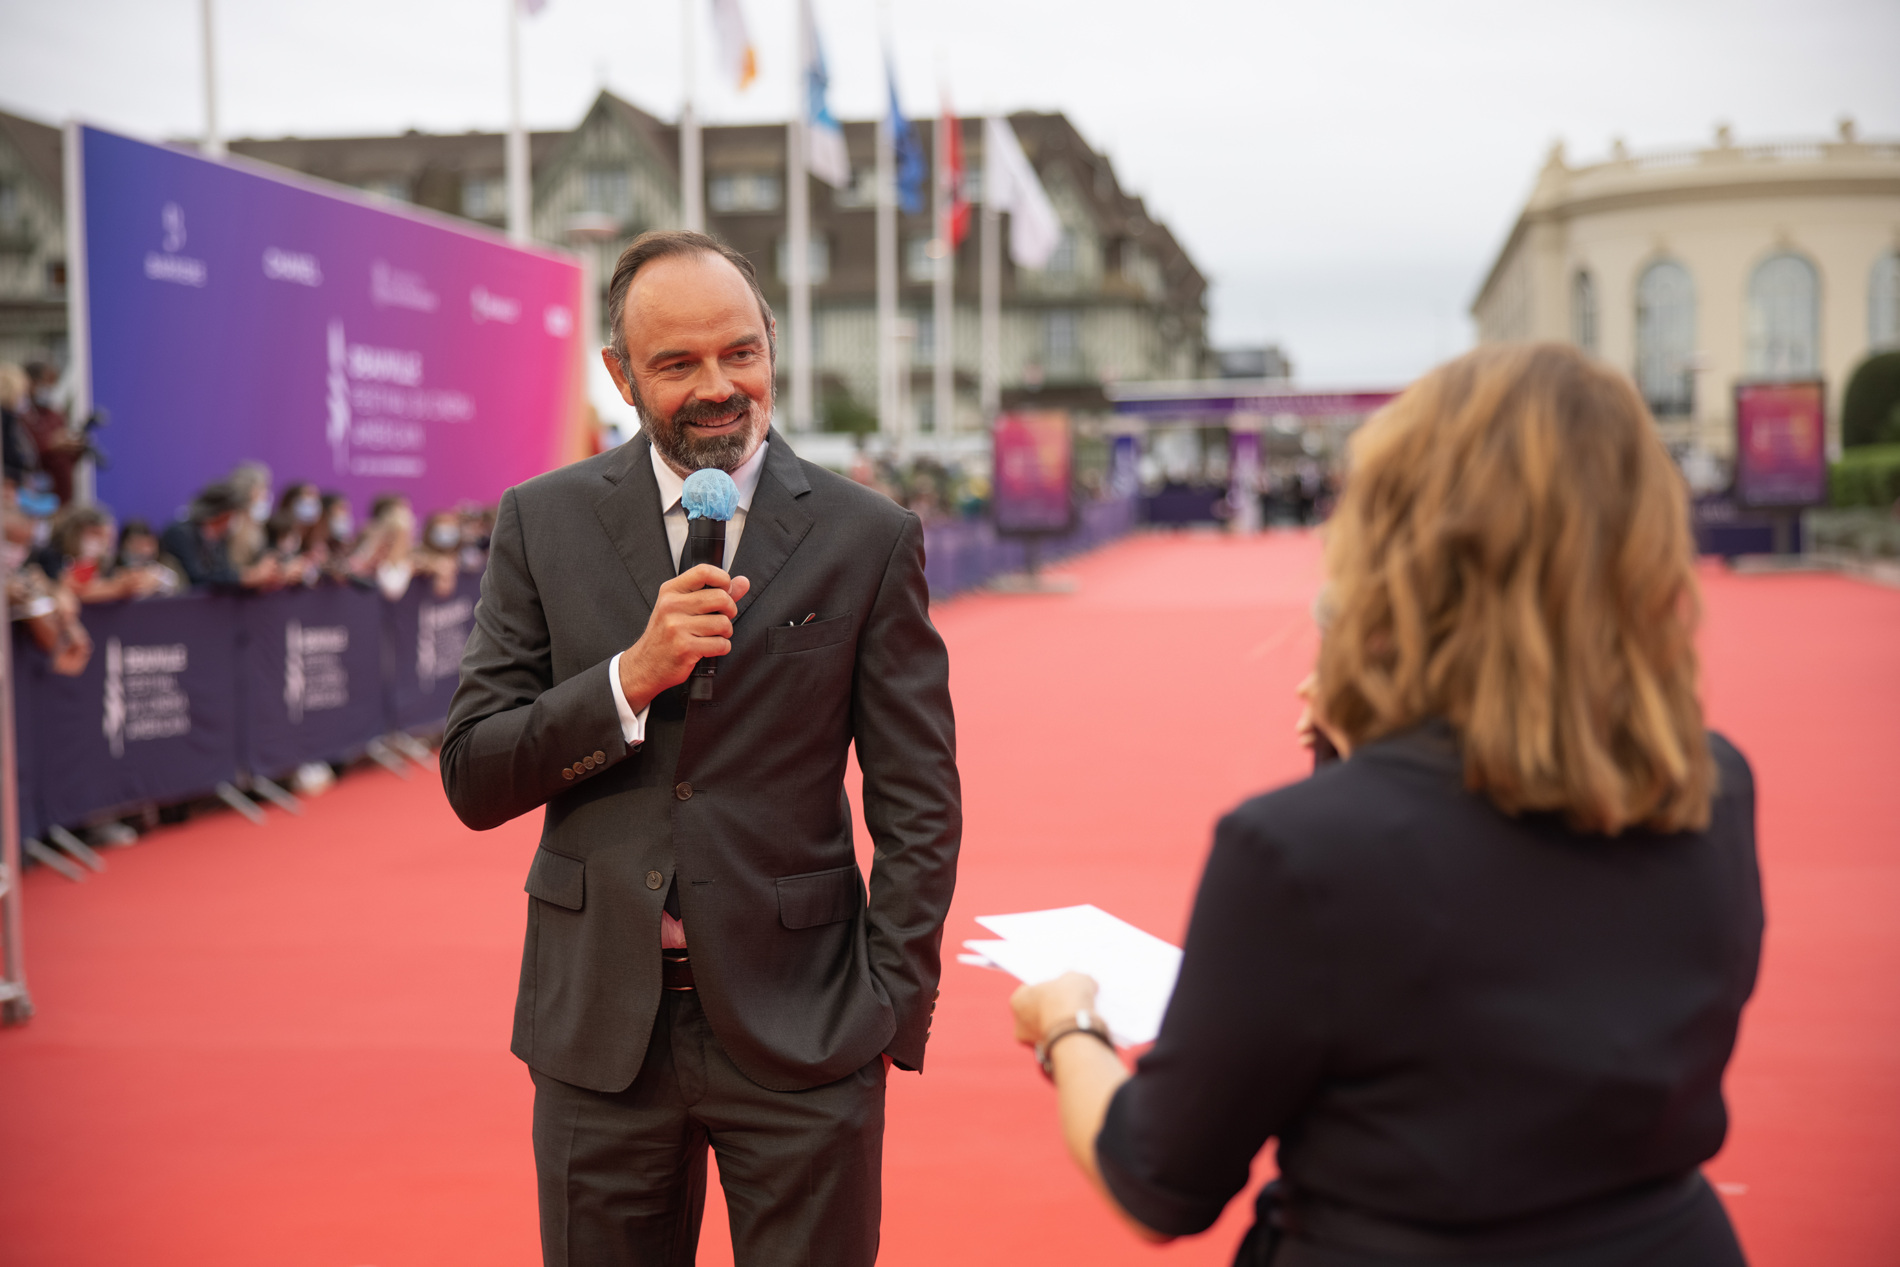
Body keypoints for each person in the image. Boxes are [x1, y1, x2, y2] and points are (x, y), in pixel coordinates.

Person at [1009, 342, 1761, 1267]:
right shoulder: (1715, 784)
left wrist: (1067, 1025)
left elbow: (1158, 1176)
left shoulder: (1297, 851)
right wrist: (1368, 755)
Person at [442, 229, 960, 1267]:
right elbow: (475, 772)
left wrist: (887, 1009)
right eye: (677, 363)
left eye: (740, 352)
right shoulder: (542, 522)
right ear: (620, 375)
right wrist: (627, 680)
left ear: (772, 344)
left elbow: (919, 799)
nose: (719, 386)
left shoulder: (868, 536)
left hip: (808, 1026)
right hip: (599, 1030)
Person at [159, 480, 285, 590]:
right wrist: (245, 577)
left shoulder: (221, 536)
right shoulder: (179, 534)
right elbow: (197, 577)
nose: (236, 519)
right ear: (222, 515)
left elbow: (223, 570)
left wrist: (256, 575)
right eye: (233, 514)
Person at [32, 504, 167, 603]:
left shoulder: (106, 559)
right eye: (94, 533)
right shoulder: (52, 555)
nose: (100, 541)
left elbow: (126, 579)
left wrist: (143, 581)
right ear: (74, 531)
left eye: (104, 535)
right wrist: (120, 589)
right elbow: (75, 590)